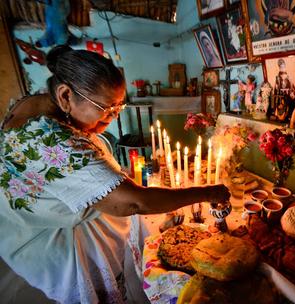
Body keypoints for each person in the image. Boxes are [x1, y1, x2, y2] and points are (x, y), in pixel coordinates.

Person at [0, 45, 230, 303]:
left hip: (33, 230)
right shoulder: (52, 142)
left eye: (118, 108)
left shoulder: (37, 102)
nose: (111, 118)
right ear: (65, 95)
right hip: (64, 247)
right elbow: (134, 201)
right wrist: (209, 191)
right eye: (107, 109)